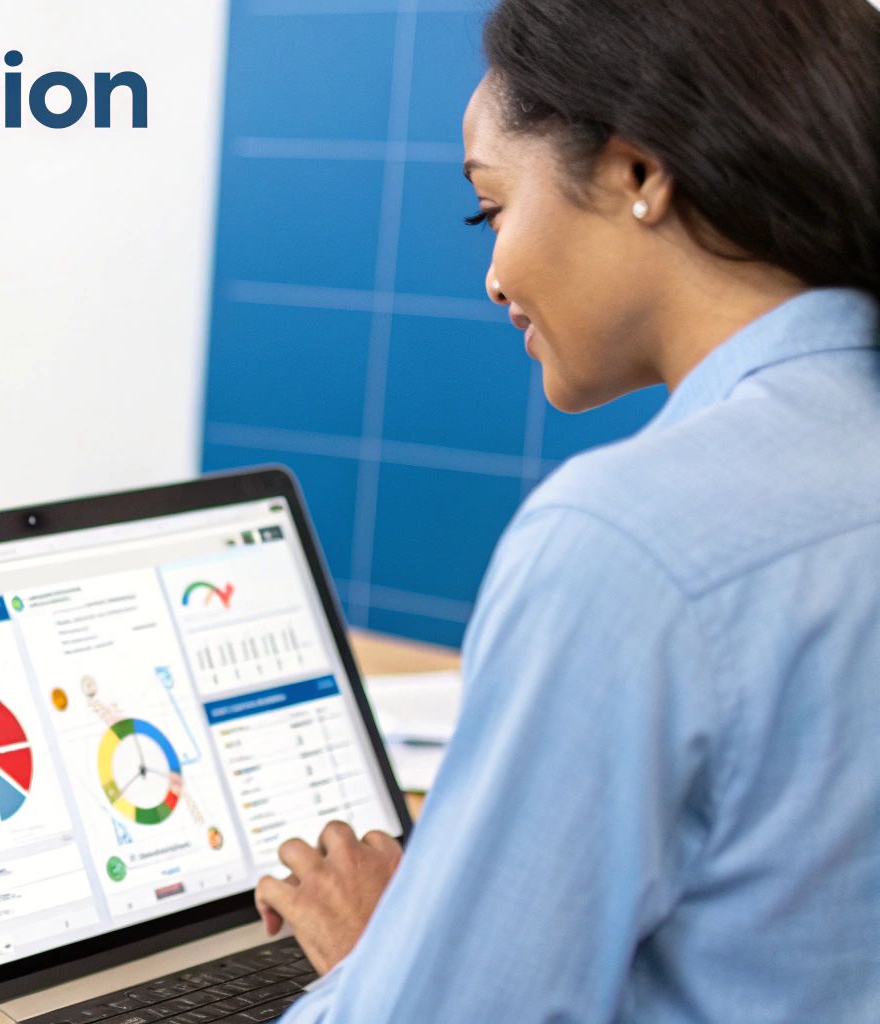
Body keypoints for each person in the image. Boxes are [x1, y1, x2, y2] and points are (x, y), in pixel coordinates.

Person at [252, 1, 880, 1019]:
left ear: (637, 172)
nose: (494, 276)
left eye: (489, 209)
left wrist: (383, 960)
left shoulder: (629, 539)